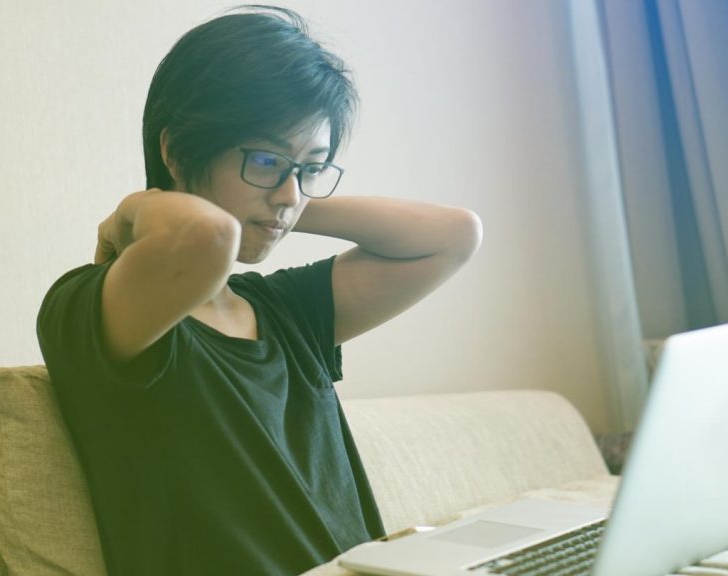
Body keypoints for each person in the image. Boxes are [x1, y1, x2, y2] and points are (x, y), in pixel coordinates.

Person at [37, 5, 482, 575]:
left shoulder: (285, 311)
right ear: (176, 150)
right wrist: (134, 209)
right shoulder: (89, 309)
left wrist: (286, 200)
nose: (290, 193)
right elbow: (206, 237)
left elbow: (453, 236)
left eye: (312, 167)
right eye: (267, 159)